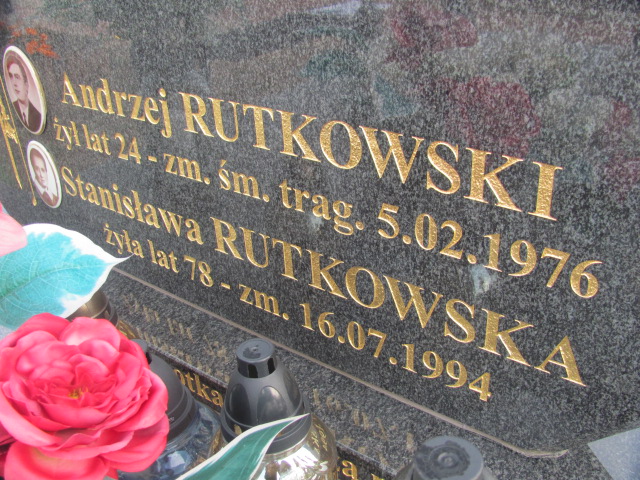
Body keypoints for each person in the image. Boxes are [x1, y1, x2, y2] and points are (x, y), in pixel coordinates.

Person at [7, 56, 42, 132]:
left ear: (26, 84)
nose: (14, 83)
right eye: (11, 77)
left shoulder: (38, 116)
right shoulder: (10, 108)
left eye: (17, 77)